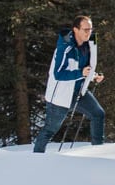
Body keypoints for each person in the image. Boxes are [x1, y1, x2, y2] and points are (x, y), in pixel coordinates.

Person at [34, 15, 105, 151]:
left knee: (98, 114)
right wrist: (81, 73)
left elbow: (85, 68)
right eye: (85, 29)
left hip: (79, 91)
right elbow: (58, 74)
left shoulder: (89, 44)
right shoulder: (65, 47)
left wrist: (93, 76)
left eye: (90, 29)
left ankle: (99, 151)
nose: (89, 32)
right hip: (60, 96)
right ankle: (36, 158)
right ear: (75, 30)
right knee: (50, 130)